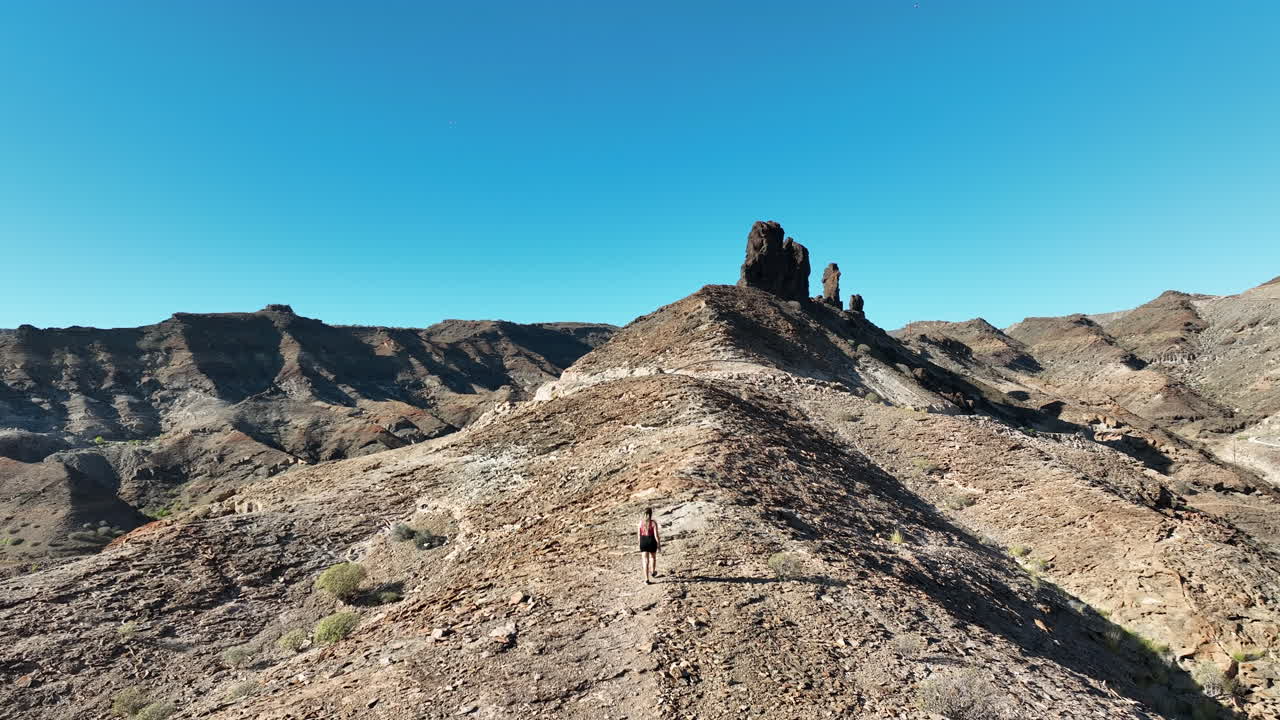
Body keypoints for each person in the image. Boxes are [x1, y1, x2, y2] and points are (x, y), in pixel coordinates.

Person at [638, 507, 661, 584]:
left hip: (643, 541)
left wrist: (640, 544)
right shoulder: (653, 523)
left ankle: (646, 579)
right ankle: (653, 571)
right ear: (651, 514)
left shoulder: (640, 523)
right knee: (653, 557)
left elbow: (639, 535)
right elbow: (656, 535)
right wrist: (659, 545)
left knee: (645, 561)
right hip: (651, 540)